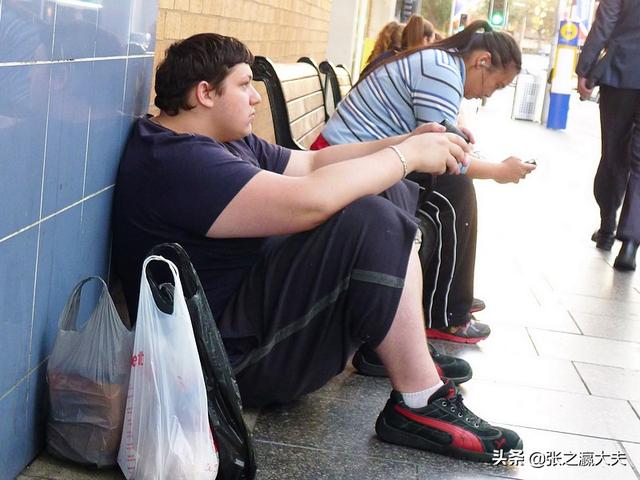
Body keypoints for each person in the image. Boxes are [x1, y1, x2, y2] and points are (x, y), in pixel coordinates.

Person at [112, 32, 523, 463]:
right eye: (244, 84)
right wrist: (408, 156)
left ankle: (390, 343)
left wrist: (404, 143)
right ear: (205, 94)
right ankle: (419, 401)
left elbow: (310, 162)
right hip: (227, 364)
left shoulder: (220, 139)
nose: (255, 97)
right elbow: (310, 201)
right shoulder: (178, 162)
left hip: (249, 320)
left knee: (386, 190)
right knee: (371, 219)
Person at [312, 20, 535, 349]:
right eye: (497, 84)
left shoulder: (442, 63)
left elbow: (439, 139)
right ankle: (444, 313)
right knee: (452, 191)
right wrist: (499, 171)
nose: (490, 94)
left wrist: (457, 135)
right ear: (482, 61)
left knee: (452, 187)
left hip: (357, 159)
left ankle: (452, 297)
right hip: (343, 164)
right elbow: (443, 154)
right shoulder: (442, 70)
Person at [576, 0, 640, 271]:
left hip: (621, 71)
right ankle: (630, 245)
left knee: (613, 151)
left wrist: (585, 69)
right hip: (620, 71)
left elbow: (605, 22)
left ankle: (607, 228)